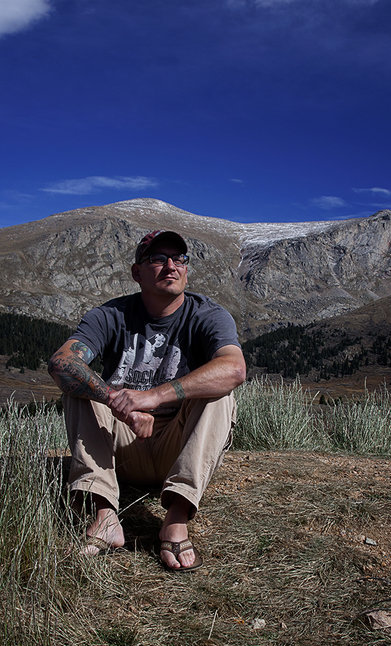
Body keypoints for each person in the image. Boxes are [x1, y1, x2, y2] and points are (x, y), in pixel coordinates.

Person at [48, 230, 246, 571]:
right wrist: (118, 403)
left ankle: (177, 513)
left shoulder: (208, 315)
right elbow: (62, 362)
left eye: (178, 259)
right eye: (157, 259)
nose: (170, 266)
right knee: (79, 387)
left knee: (219, 393)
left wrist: (151, 398)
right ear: (137, 272)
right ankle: (104, 512)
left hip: (178, 447)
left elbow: (234, 368)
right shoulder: (110, 316)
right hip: (121, 444)